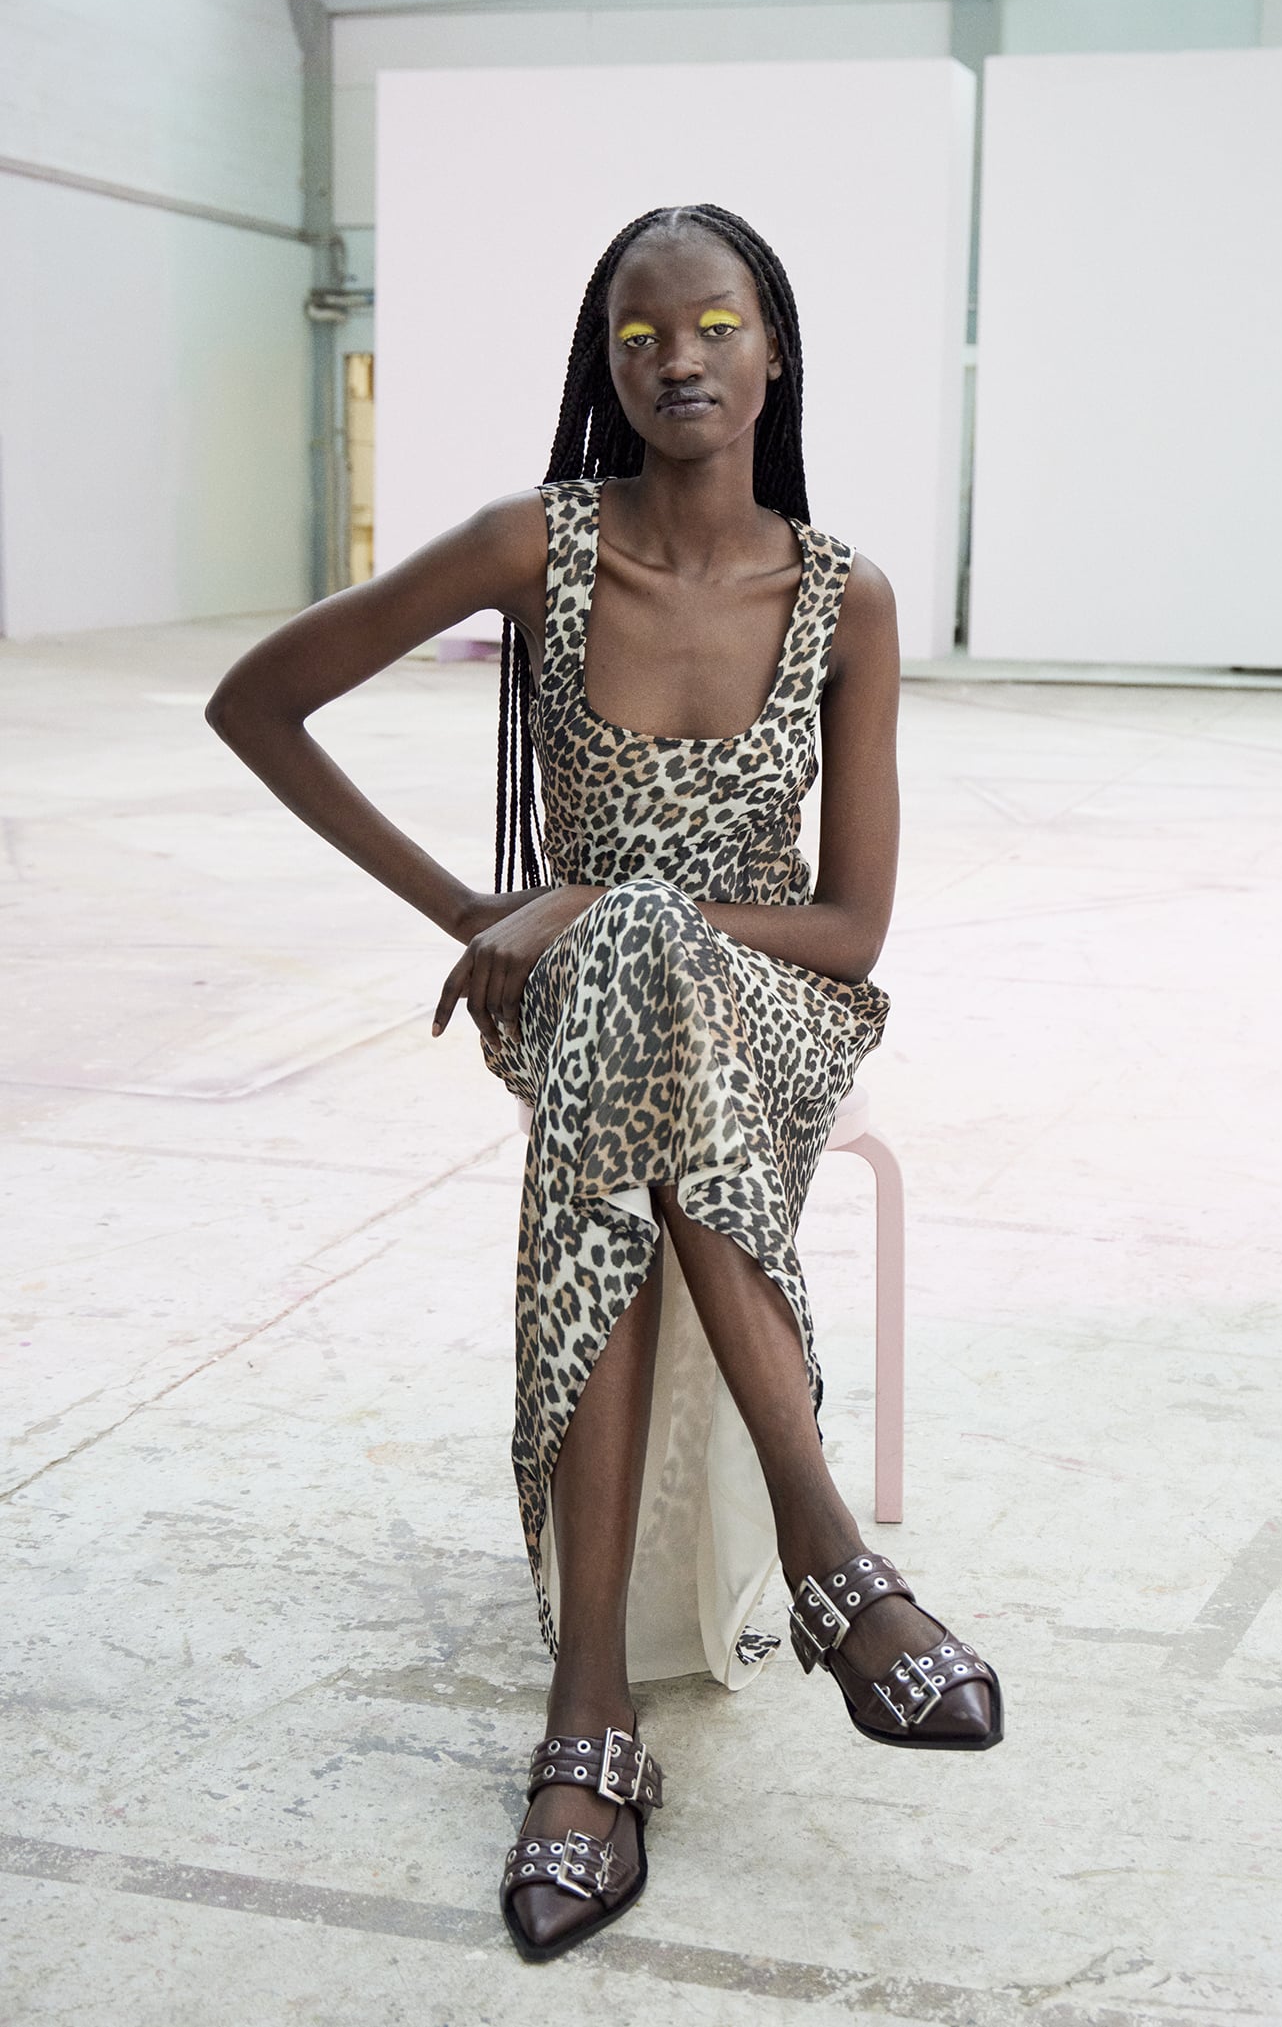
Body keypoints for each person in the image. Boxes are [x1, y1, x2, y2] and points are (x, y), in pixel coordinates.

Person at [207, 203, 1002, 1966]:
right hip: (571, 1000)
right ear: (607, 366)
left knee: (635, 991)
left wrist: (595, 901)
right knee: (623, 990)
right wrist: (481, 914)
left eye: (715, 326)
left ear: (774, 353)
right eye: (640, 337)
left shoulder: (847, 598)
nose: (679, 360)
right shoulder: (538, 545)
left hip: (773, 1008)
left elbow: (852, 930)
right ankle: (832, 1557)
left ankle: (590, 1720)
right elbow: (258, 702)